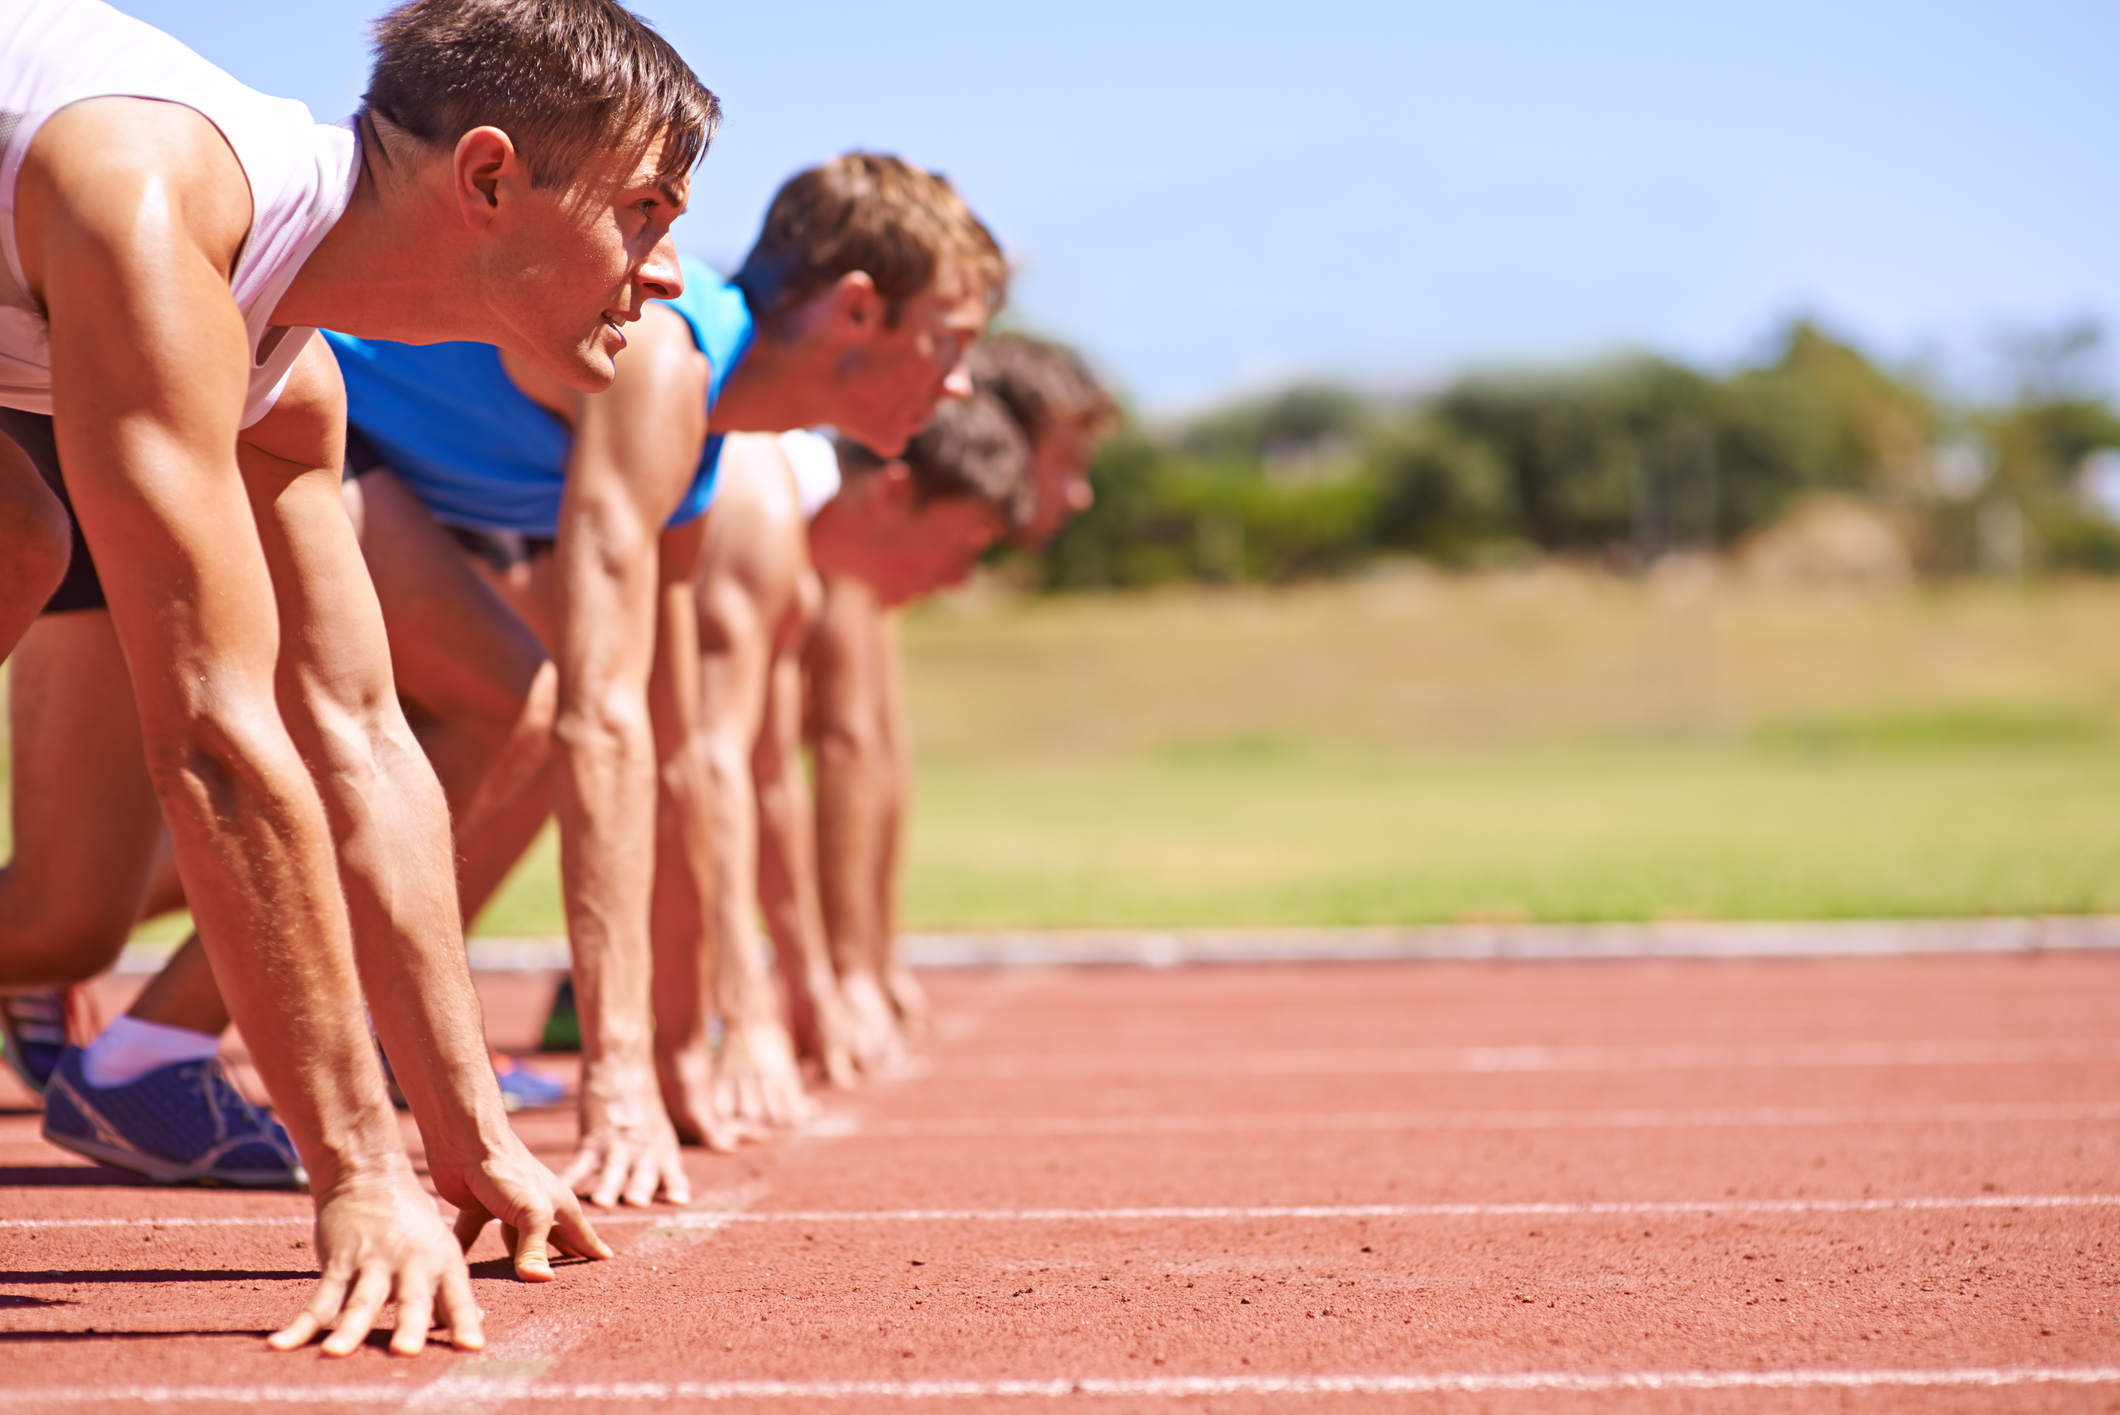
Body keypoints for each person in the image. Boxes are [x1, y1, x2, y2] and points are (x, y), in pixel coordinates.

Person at [16, 153, 1007, 1197]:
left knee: (62, 916)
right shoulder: (659, 364)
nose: (958, 386)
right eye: (949, 343)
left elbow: (670, 753)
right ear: (857, 310)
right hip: (227, 403)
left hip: (274, 435)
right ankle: (161, 1049)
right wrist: (613, 1072)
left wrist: (683, 1041)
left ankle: (167, 1048)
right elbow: (603, 717)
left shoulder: (701, 430)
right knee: (523, 709)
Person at [0, 0, 715, 1355]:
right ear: (491, 177)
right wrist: (357, 1171)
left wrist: (463, 1137)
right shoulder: (153, 214)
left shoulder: (287, 377)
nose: (668, 269)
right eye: (644, 209)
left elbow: (362, 740)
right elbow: (210, 737)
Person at [802, 336, 1116, 1047]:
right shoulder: (878, 513)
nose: (1079, 493)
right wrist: (851, 970)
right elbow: (846, 743)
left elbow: (883, 744)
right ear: (1003, 435)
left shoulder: (903, 520)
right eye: (1066, 462)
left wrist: (879, 960)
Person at [801, 391, 1042, 1054]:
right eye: (962, 544)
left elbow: (864, 746)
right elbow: (827, 745)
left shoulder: (817, 540)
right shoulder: (767, 506)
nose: (961, 580)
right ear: (893, 492)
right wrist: (824, 979)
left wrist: (854, 971)